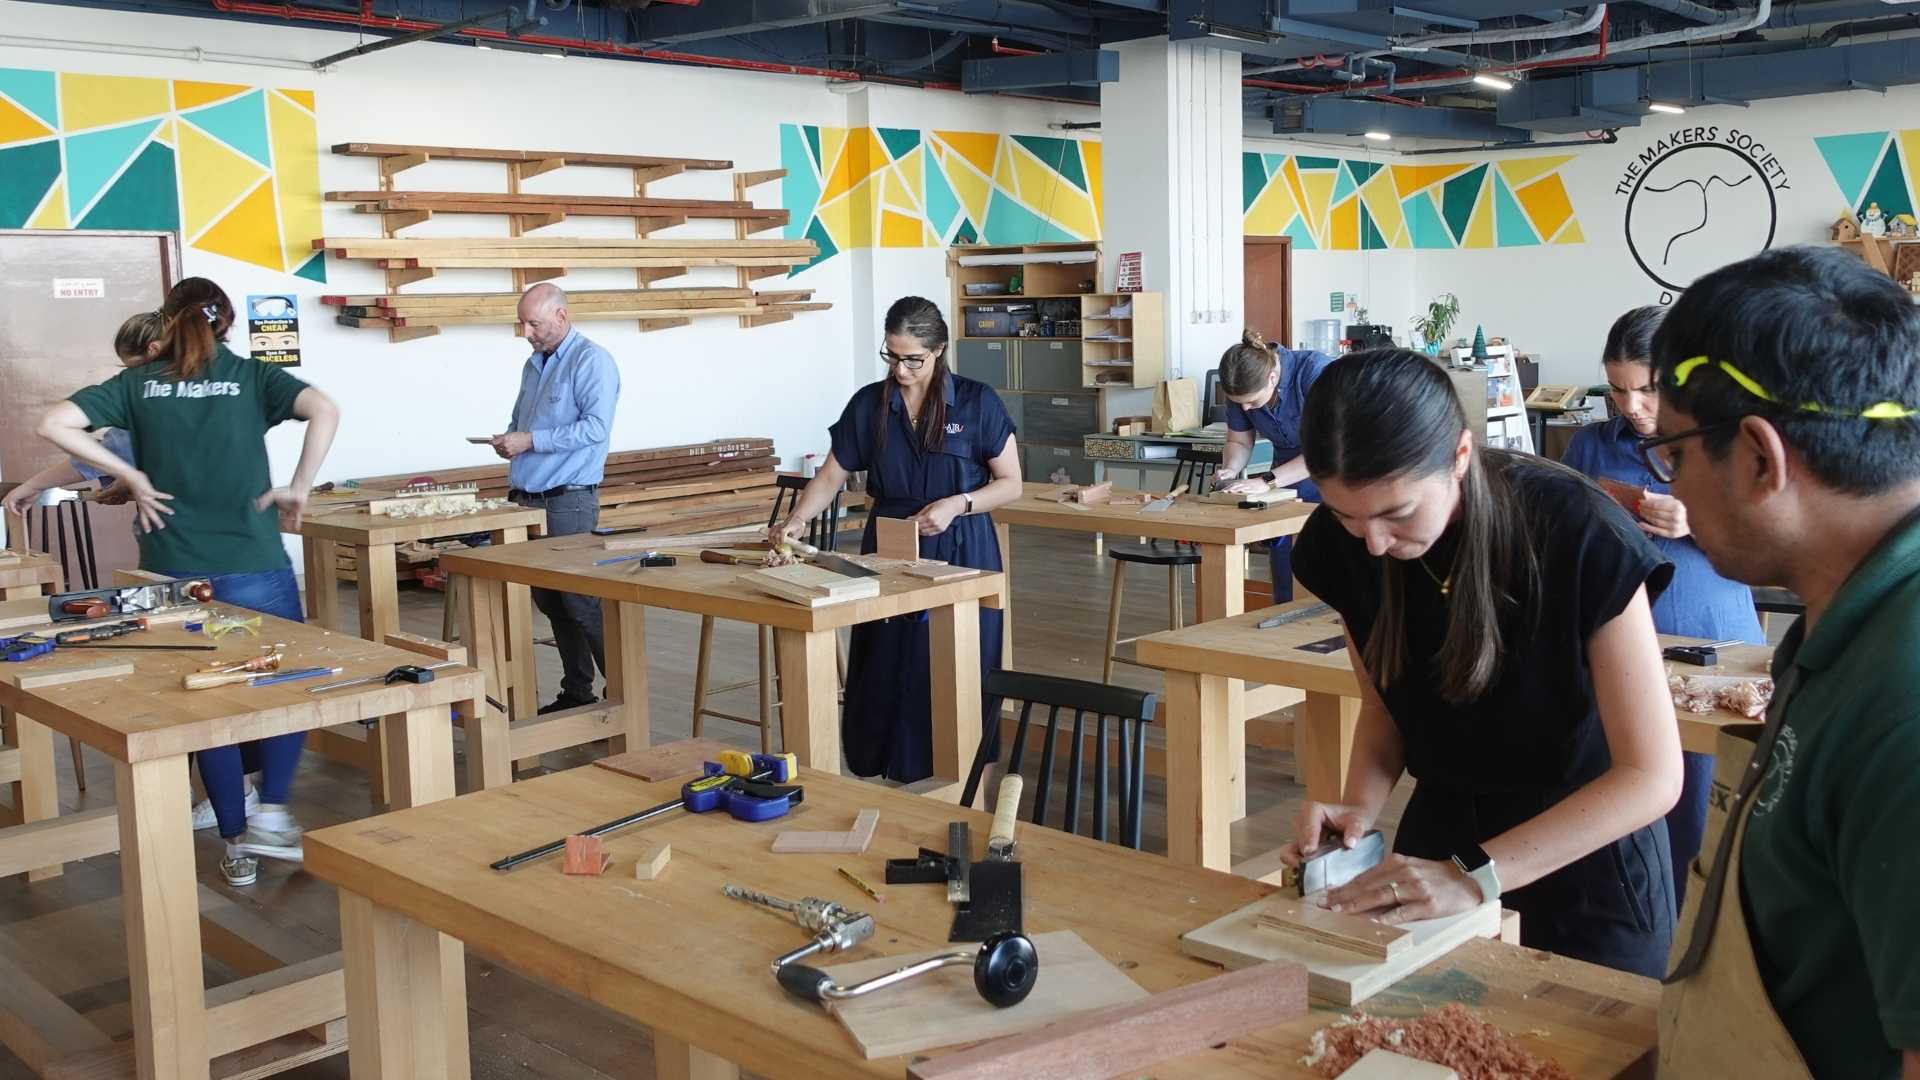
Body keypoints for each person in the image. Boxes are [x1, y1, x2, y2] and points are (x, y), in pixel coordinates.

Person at [1277, 348, 1684, 978]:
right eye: (1347, 517)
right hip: (1438, 849)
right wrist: (1358, 811)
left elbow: (1651, 776)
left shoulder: (1575, 531)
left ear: (1460, 456)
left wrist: (1476, 877)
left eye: (1398, 513)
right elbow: (1387, 710)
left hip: (1585, 856)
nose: (1375, 544)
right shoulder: (1343, 546)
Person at [1650, 246, 1920, 1079]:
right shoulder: (1854, 618)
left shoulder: (1904, 703)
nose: (1673, 488)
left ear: (1762, 459)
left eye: (1675, 454)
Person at [34, 278, 340, 888]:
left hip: (173, 568)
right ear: (227, 322)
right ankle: (273, 813)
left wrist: (132, 476)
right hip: (254, 561)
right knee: (285, 689)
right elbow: (326, 409)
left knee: (204, 707)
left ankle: (235, 842)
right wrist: (299, 487)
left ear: (166, 322)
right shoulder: (254, 378)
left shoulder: (137, 384)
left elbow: (54, 424)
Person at [1561, 306, 1764, 909]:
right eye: (1618, 390)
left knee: (1706, 809)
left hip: (1715, 641)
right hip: (1618, 646)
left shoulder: (1726, 442)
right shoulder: (1591, 446)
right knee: (1619, 794)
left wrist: (1696, 520)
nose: (1632, 406)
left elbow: (1769, 544)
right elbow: (1556, 531)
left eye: (1647, 389)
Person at [775, 297, 1021, 781]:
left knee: (959, 665)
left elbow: (1011, 482)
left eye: (914, 359)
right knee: (885, 660)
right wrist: (797, 519)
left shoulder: (976, 402)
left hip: (961, 546)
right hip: (888, 547)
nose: (902, 370)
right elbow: (829, 476)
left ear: (939, 350)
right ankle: (884, 774)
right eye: (892, 356)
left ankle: (965, 780)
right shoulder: (870, 403)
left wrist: (959, 504)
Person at [490, 284, 620, 714]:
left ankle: (622, 690)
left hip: (568, 501)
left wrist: (530, 440)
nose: (525, 332)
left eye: (534, 323)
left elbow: (596, 429)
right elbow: (521, 420)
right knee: (551, 602)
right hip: (528, 500)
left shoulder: (592, 361)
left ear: (562, 317)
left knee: (581, 601)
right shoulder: (534, 363)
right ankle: (577, 690)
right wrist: (511, 439)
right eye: (523, 323)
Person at [1209, 330, 1336, 601]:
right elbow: (1240, 442)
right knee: (1287, 567)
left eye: (1252, 402)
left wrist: (1265, 481)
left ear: (1272, 378)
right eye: (1239, 403)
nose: (1246, 409)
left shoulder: (1315, 372)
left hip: (1337, 476)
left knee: (1332, 566)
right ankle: (1285, 634)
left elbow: (1324, 451)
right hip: (1288, 481)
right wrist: (1230, 469)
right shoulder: (1241, 390)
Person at [4, 311, 162, 518]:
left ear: (154, 350)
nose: (129, 377)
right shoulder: (210, 387)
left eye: (133, 369)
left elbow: (111, 449)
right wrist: (127, 483)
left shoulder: (141, 393)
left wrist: (33, 486)